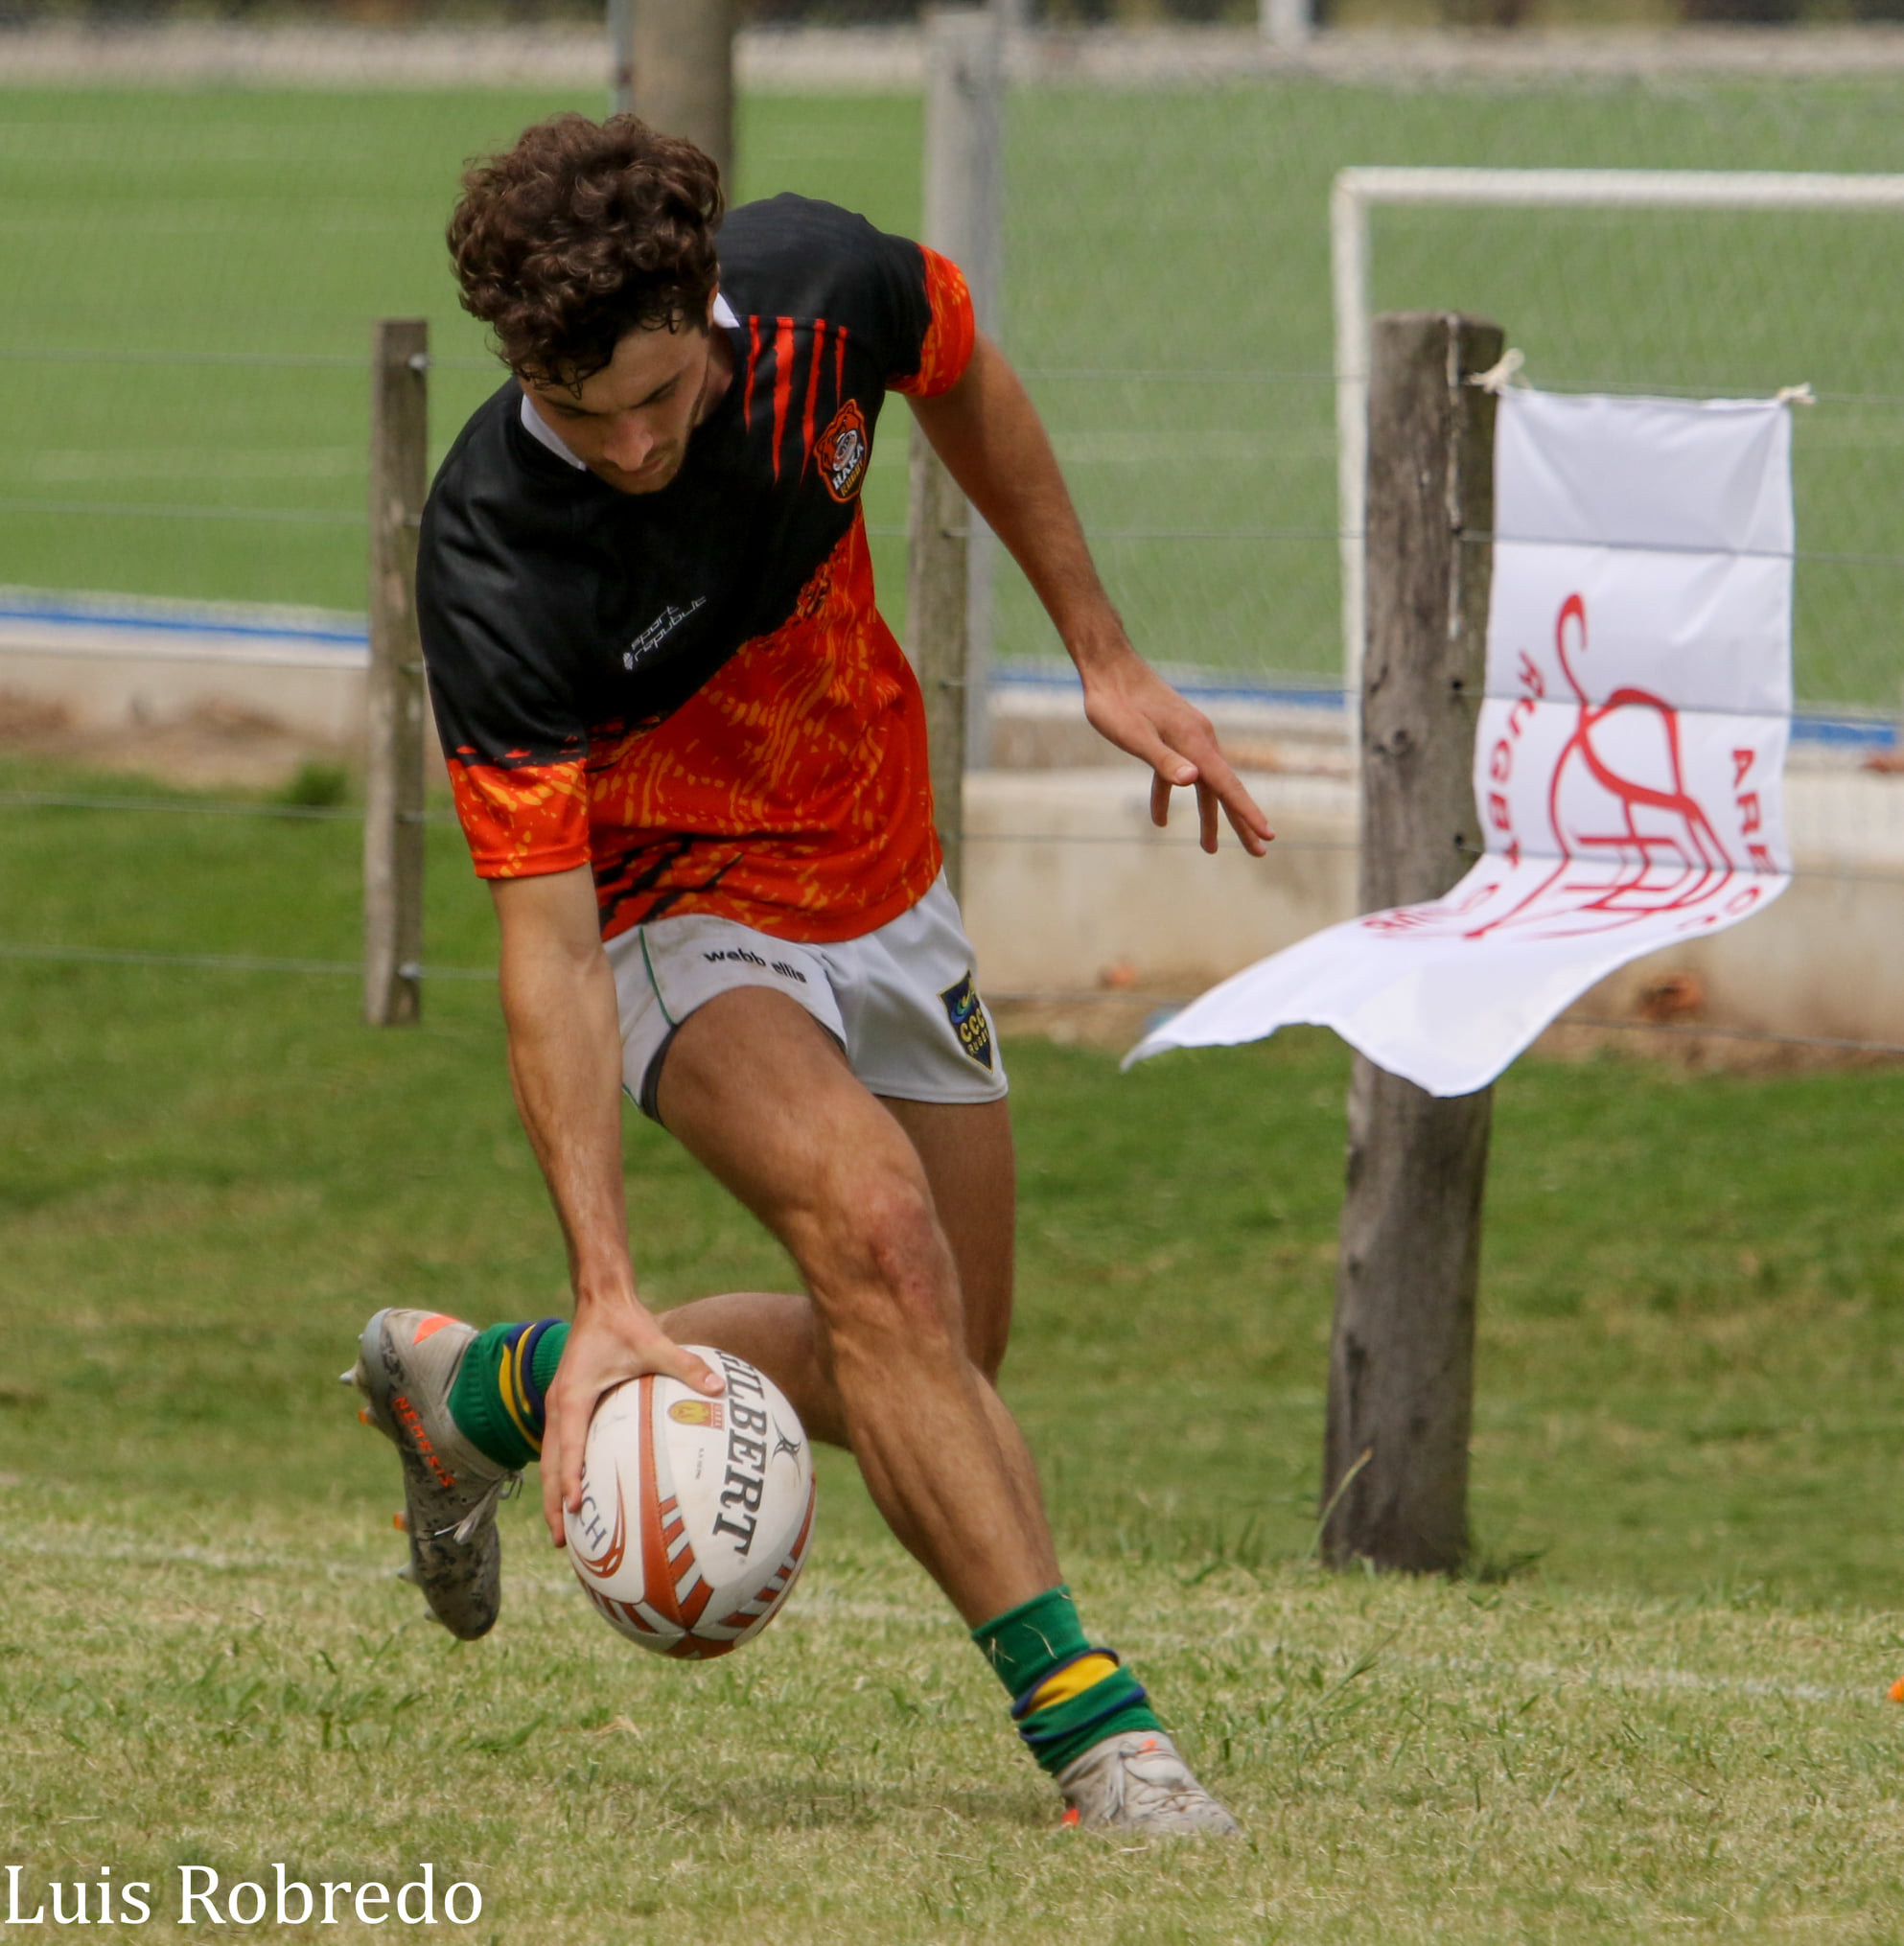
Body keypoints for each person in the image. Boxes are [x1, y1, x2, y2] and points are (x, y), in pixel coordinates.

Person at [344, 112, 1270, 1838]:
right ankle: (1103, 1740)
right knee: (879, 1244)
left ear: (712, 313)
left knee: (937, 1357)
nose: (625, 445)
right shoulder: (494, 557)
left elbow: (966, 367)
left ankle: (483, 1387)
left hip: (882, 871)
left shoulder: (825, 292)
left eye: (656, 397)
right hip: (668, 910)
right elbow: (542, 941)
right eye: (578, 408)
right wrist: (609, 1268)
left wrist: (1103, 650)